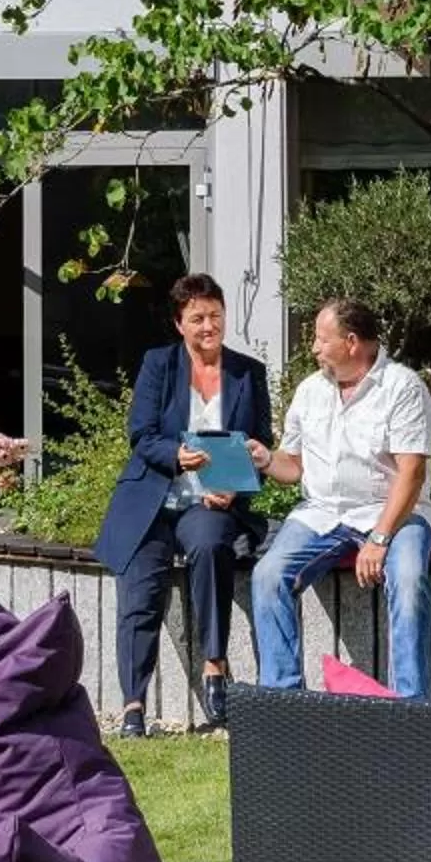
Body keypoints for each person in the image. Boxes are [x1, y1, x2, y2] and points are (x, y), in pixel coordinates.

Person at [91, 273, 274, 737]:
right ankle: (133, 704)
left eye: (215, 315)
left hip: (211, 502)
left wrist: (235, 487)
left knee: (211, 544)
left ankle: (214, 665)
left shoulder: (248, 372)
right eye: (197, 318)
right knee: (140, 583)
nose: (208, 326)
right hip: (154, 498)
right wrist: (176, 454)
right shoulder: (159, 364)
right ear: (179, 323)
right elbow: (141, 436)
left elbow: (261, 445)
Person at [250, 298, 431, 698]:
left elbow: (411, 473)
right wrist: (265, 459)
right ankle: (283, 701)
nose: (314, 348)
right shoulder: (310, 390)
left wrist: (380, 538)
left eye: (322, 340)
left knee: (408, 581)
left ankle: (412, 708)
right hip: (322, 512)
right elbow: (294, 466)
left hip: (394, 513)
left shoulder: (402, 387)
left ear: (351, 342)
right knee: (268, 575)